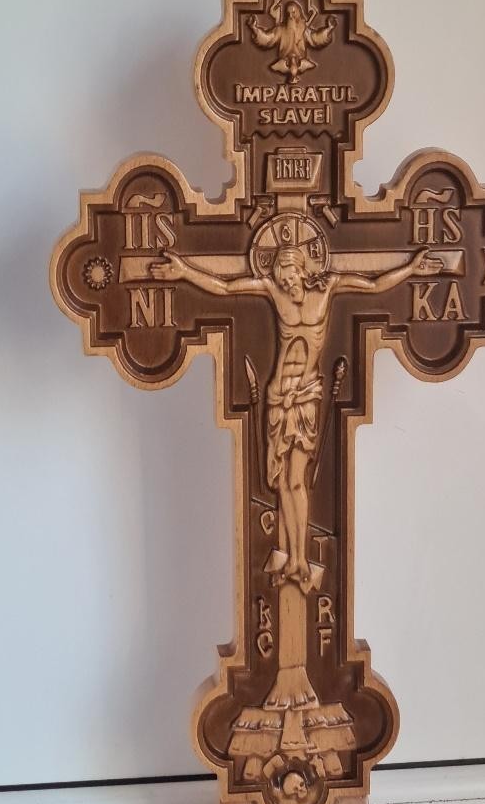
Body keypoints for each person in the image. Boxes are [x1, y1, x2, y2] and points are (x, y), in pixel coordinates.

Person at [150, 244, 442, 589]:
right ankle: (291, 556)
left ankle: (301, 557)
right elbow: (226, 287)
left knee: (297, 480)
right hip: (278, 395)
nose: (286, 283)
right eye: (280, 277)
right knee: (283, 484)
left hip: (305, 396)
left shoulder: (329, 286)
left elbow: (374, 284)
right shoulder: (273, 291)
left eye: (289, 276)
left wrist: (411, 269)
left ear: (302, 270)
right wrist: (185, 272)